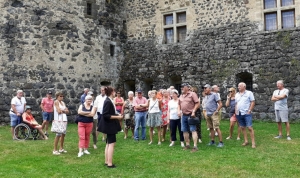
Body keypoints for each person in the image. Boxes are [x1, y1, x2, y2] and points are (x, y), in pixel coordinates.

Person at [92, 86, 122, 168]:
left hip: (109, 124)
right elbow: (105, 115)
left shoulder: (109, 100)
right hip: (109, 125)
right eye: (114, 91)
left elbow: (110, 112)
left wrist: (117, 114)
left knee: (108, 143)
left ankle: (107, 161)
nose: (115, 93)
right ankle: (109, 163)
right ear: (112, 92)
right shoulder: (108, 101)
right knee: (111, 144)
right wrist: (117, 117)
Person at [178, 83, 200, 152]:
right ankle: (187, 145)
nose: (181, 88)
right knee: (184, 130)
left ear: (187, 88)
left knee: (193, 130)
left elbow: (197, 103)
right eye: (181, 87)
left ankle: (195, 146)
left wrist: (193, 111)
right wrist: (178, 110)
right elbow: (179, 104)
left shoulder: (192, 94)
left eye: (182, 87)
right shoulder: (181, 96)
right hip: (183, 115)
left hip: (191, 115)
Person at [235, 82, 256, 148]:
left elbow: (253, 102)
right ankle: (246, 141)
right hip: (239, 113)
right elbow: (236, 103)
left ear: (244, 87)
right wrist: (236, 111)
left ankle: (253, 143)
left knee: (249, 127)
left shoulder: (249, 93)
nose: (238, 87)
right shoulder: (237, 94)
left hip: (247, 113)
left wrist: (249, 110)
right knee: (242, 127)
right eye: (238, 86)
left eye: (240, 86)